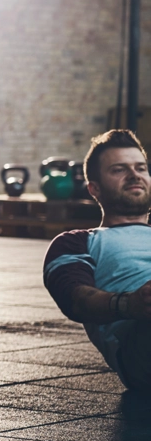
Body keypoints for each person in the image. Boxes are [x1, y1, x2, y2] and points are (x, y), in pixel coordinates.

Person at [44, 129, 151, 391]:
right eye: (118, 169)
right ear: (94, 188)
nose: (134, 175)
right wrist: (130, 304)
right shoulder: (77, 242)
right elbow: (76, 300)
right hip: (138, 344)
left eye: (141, 168)